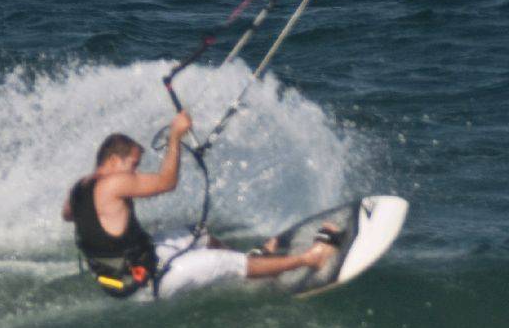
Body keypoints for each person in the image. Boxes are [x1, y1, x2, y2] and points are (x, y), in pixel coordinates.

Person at [62, 110, 336, 299]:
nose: (134, 173)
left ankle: (252, 268)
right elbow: (167, 182)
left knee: (200, 234)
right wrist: (174, 138)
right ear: (112, 160)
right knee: (221, 262)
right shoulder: (113, 183)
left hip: (133, 268)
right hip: (144, 283)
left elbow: (69, 215)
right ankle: (310, 260)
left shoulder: (78, 189)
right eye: (133, 165)